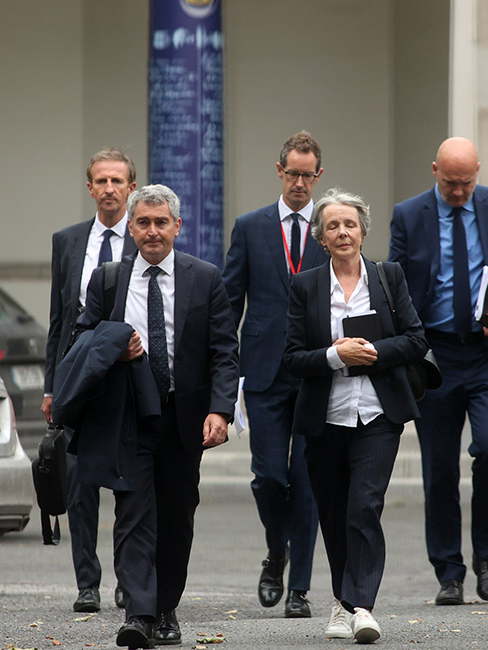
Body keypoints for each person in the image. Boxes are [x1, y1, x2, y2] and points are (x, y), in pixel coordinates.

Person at [72, 184, 239, 648]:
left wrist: (220, 410)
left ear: (177, 227)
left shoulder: (203, 277)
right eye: (142, 223)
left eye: (160, 222)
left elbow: (225, 351)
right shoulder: (107, 280)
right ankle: (139, 614)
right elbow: (81, 342)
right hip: (128, 417)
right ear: (130, 226)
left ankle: (166, 608)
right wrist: (113, 347)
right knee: (132, 513)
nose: (151, 231)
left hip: (184, 419)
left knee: (176, 515)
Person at [284, 188, 428, 643]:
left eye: (350, 224)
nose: (342, 232)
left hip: (377, 415)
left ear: (363, 231)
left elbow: (415, 339)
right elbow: (291, 357)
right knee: (333, 511)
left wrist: (371, 354)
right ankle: (343, 601)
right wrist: (334, 354)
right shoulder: (305, 286)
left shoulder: (389, 277)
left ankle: (360, 606)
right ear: (321, 238)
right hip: (324, 417)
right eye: (332, 226)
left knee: (364, 506)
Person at [388, 137, 488, 606]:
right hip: (436, 358)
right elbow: (396, 283)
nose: (459, 192)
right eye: (450, 183)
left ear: (477, 173)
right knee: (440, 468)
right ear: (434, 172)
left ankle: (486, 557)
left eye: (466, 183)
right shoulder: (409, 215)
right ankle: (449, 572)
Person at [222, 131, 327, 618]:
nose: (300, 182)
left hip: (316, 372)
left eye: (308, 174)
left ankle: (300, 588)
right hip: (263, 371)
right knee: (268, 477)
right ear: (279, 171)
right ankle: (275, 552)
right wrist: (225, 373)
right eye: (293, 172)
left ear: (318, 176)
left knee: (306, 481)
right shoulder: (251, 227)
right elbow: (228, 302)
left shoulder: (332, 227)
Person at [42, 148, 137, 613]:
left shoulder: (145, 241)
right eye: (101, 181)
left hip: (127, 379)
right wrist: (50, 387)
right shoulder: (67, 241)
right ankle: (87, 583)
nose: (109, 189)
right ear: (90, 187)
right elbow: (58, 321)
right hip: (78, 380)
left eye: (117, 181)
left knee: (125, 483)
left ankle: (127, 580)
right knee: (78, 482)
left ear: (131, 188)